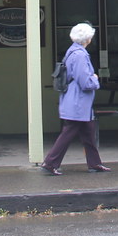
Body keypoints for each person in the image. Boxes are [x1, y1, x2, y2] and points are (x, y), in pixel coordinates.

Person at [40, 22, 111, 175]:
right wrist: (95, 79)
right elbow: (85, 82)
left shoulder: (72, 52)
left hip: (75, 101)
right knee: (69, 133)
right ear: (88, 39)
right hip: (78, 102)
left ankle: (95, 163)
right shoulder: (80, 55)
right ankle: (50, 162)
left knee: (88, 133)